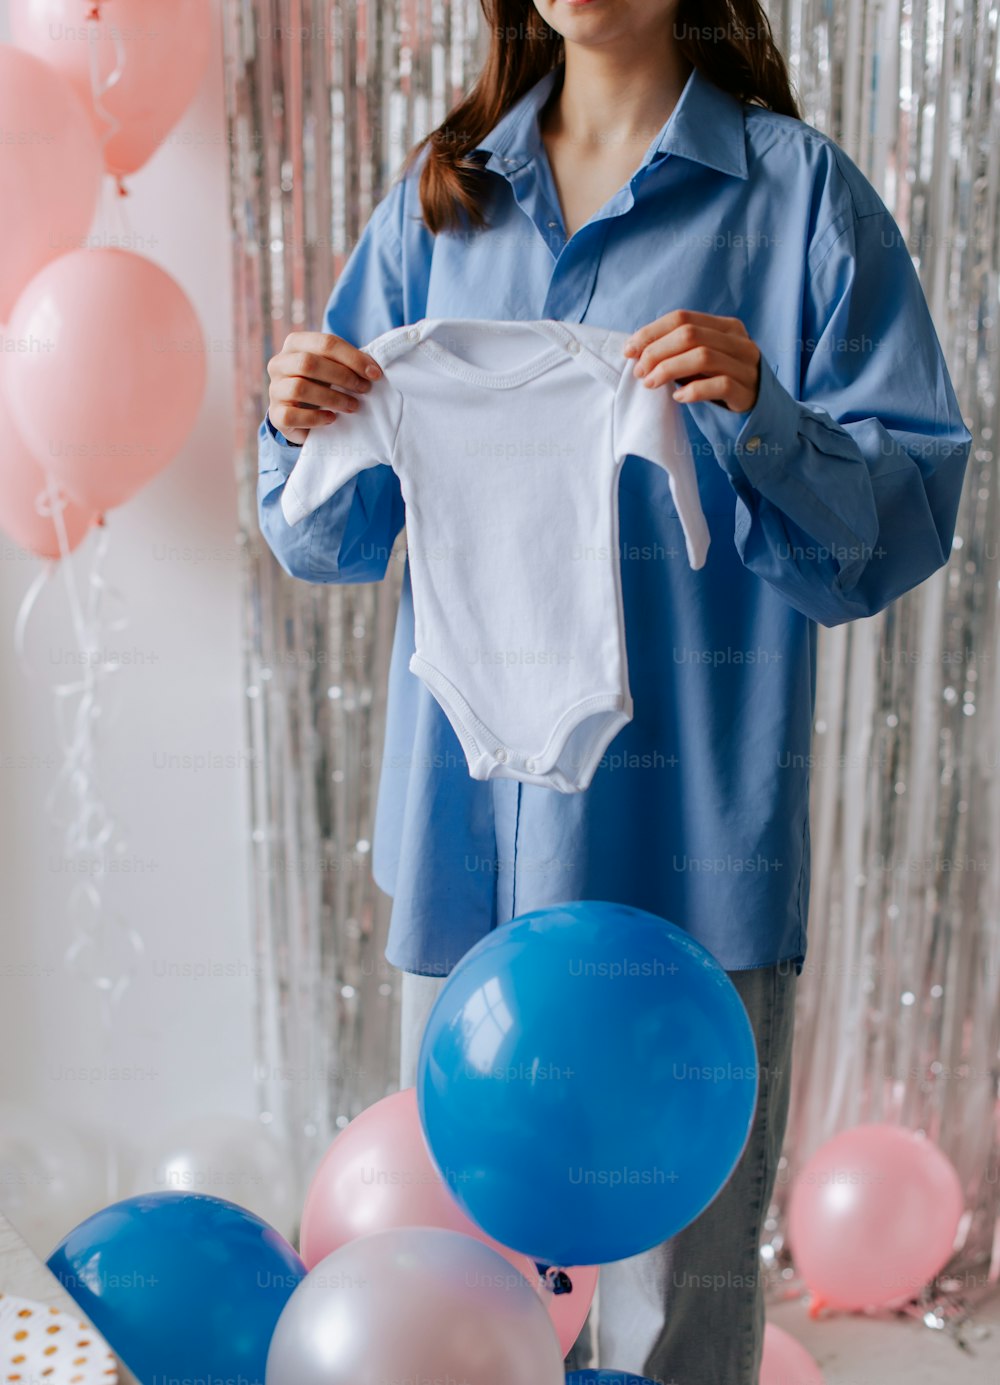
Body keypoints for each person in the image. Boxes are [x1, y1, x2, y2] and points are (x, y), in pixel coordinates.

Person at [257, 2, 972, 1379]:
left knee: (671, 1317)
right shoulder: (438, 204)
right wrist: (296, 423)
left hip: (689, 863)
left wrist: (766, 414)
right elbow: (327, 533)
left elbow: (901, 518)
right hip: (468, 847)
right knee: (458, 1280)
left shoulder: (800, 198)